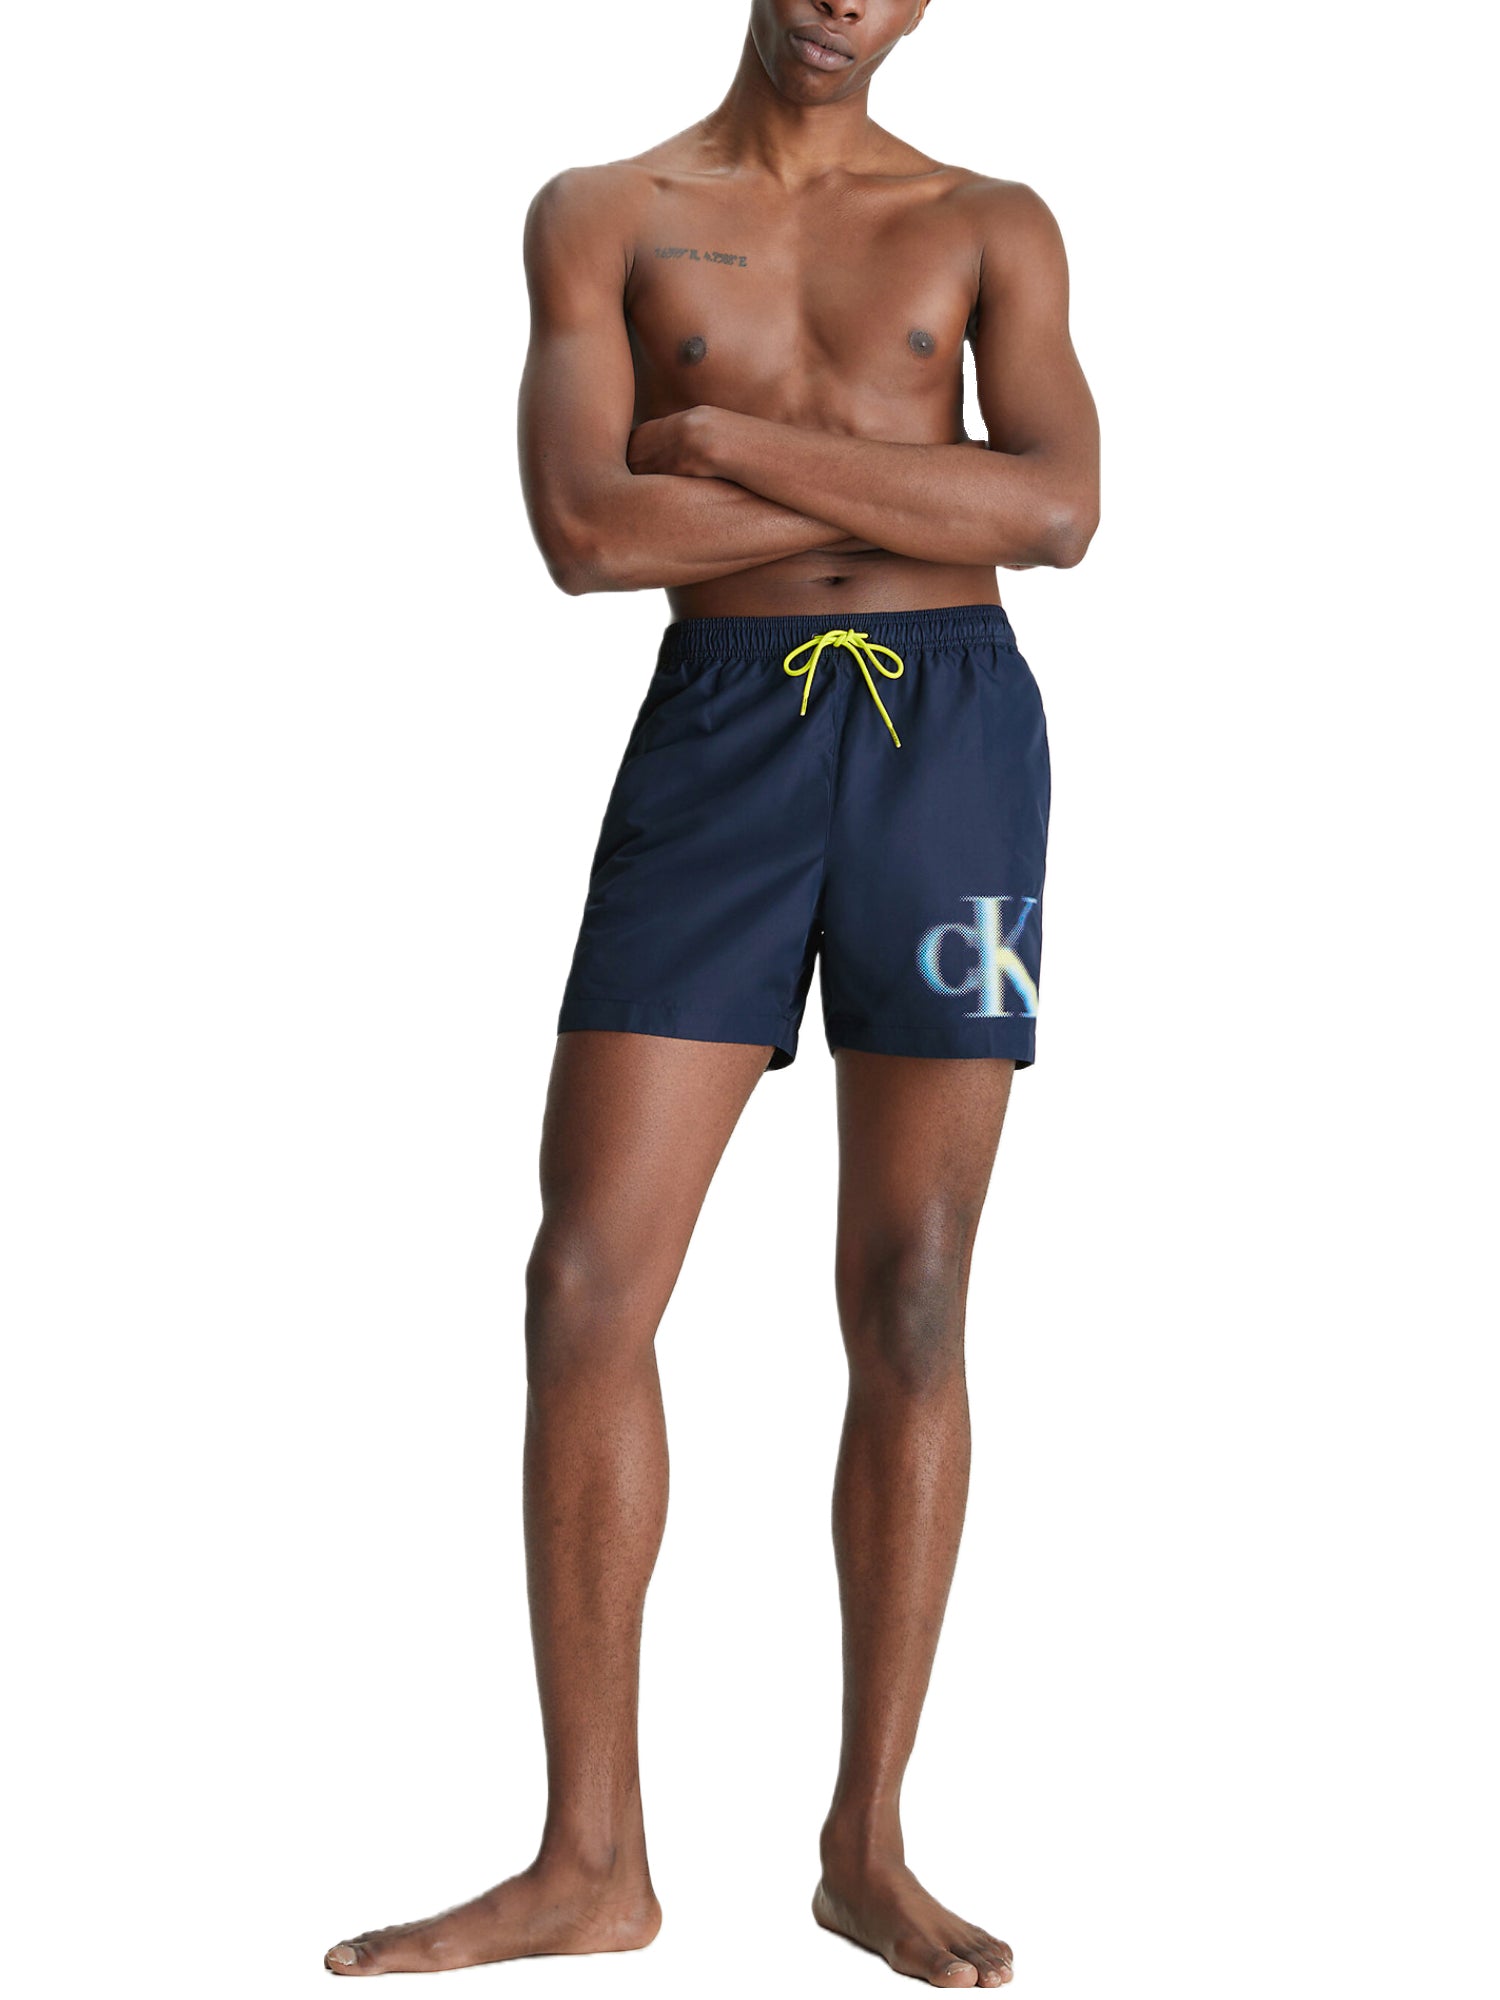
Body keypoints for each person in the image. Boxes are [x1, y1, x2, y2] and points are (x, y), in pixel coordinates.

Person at [324, 0, 1098, 1986]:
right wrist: (915, 482)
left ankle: (866, 1847)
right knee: (586, 1282)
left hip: (961, 757)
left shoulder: (992, 221)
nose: (844, 0)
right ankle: (591, 1859)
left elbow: (1057, 514)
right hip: (717, 740)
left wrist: (736, 443)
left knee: (914, 1289)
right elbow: (590, 535)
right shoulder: (601, 211)